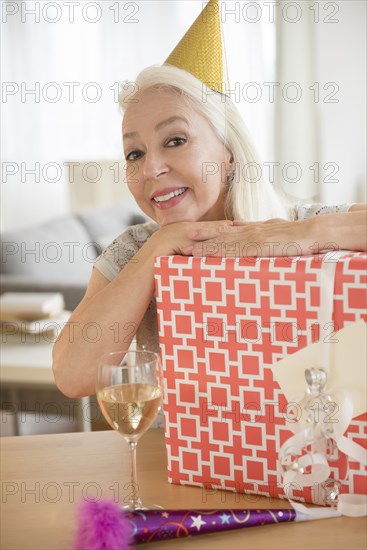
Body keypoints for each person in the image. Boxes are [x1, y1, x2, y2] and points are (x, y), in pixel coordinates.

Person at [52, 1, 366, 400]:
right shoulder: (133, 249)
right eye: (135, 153)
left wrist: (305, 234)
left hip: (299, 457)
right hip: (181, 458)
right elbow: (72, 376)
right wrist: (159, 248)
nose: (150, 168)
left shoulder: (297, 224)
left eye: (176, 141)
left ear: (228, 151)